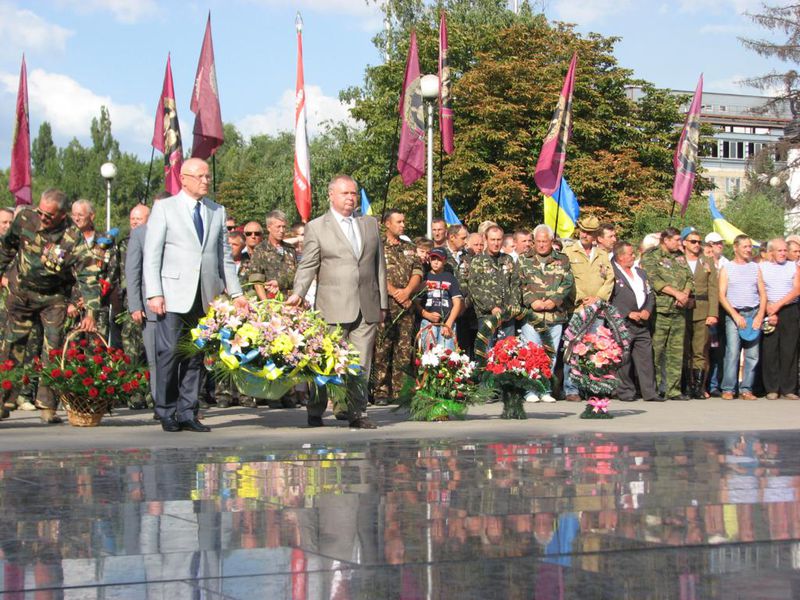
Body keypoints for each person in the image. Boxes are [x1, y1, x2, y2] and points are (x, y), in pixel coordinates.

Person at [143, 158, 247, 433]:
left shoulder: (216, 211)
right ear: (184, 178)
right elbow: (152, 255)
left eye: (207, 176)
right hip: (173, 294)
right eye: (200, 176)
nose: (205, 180)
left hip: (205, 296)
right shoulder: (165, 208)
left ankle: (188, 411)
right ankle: (166, 410)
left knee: (196, 356)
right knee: (169, 353)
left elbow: (224, 256)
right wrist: (154, 292)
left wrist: (236, 293)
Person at [287, 174, 388, 429]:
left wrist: (383, 303)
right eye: (345, 193)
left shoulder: (369, 224)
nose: (350, 198)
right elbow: (308, 264)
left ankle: (357, 413)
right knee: (324, 360)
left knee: (360, 363)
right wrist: (298, 293)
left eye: (354, 193)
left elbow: (379, 266)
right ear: (331, 195)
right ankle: (316, 409)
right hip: (332, 306)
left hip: (366, 305)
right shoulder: (318, 226)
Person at [0, 189, 99, 424]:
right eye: (41, 212)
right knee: (11, 348)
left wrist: (92, 311)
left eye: (48, 215)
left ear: (62, 214)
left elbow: (88, 274)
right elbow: (6, 248)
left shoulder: (72, 237)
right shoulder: (25, 218)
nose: (42, 217)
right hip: (21, 295)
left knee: (52, 350)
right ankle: (4, 401)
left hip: (53, 299)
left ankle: (47, 406)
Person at [517, 224, 574, 403]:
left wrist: (554, 301)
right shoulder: (523, 259)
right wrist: (531, 300)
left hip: (554, 315)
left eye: (545, 241)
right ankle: (530, 390)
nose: (542, 245)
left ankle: (545, 389)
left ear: (551, 241)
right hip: (532, 315)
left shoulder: (562, 259)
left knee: (551, 354)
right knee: (531, 352)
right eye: (539, 241)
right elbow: (519, 283)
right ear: (534, 241)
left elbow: (567, 283)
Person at [372, 209, 423, 405]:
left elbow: (418, 271)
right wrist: (395, 292)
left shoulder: (409, 247)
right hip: (384, 304)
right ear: (387, 224)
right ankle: (381, 391)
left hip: (406, 305)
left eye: (404, 221)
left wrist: (407, 291)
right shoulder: (378, 246)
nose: (403, 225)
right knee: (382, 348)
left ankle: (401, 391)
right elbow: (374, 274)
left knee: (404, 350)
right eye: (399, 222)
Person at [561, 215, 615, 401]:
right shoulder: (569, 252)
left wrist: (597, 299)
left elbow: (609, 279)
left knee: (595, 350)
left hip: (597, 310)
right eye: (584, 231)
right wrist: (582, 297)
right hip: (576, 308)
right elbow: (566, 278)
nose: (586, 235)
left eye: (590, 233)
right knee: (573, 348)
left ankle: (593, 387)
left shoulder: (602, 254)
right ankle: (571, 389)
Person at [641, 227, 694, 401]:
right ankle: (654, 388)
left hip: (679, 309)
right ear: (666, 239)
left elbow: (689, 277)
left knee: (676, 351)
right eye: (677, 240)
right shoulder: (651, 256)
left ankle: (673, 389)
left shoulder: (679, 256)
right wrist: (675, 293)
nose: (680, 243)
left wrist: (685, 294)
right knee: (657, 351)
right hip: (661, 309)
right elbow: (654, 280)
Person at [718, 235, 767, 401]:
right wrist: (735, 315)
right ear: (735, 248)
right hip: (734, 315)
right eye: (745, 246)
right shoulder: (727, 268)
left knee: (752, 354)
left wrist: (760, 315)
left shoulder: (755, 267)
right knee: (732, 352)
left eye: (750, 247)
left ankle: (747, 389)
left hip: (753, 313)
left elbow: (763, 294)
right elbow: (721, 295)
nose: (748, 250)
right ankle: (728, 389)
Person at [610, 241, 659, 402]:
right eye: (630, 254)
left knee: (645, 358)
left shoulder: (640, 273)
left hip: (642, 322)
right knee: (624, 359)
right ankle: (625, 392)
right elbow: (610, 298)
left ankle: (649, 392)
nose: (633, 257)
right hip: (623, 321)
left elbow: (650, 294)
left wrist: (647, 310)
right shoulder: (612, 273)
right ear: (621, 256)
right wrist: (627, 313)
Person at [69, 199, 120, 343]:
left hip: (98, 307)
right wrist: (71, 302)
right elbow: (62, 275)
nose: (76, 218)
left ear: (91, 216)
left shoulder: (104, 241)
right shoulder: (67, 241)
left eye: (80, 215)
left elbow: (111, 272)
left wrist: (89, 300)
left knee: (96, 353)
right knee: (70, 351)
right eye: (74, 215)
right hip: (73, 308)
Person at [120, 203, 153, 409]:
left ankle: (153, 396)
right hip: (129, 307)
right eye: (132, 218)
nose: (134, 222)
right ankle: (133, 396)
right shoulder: (122, 244)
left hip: (147, 304)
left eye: (138, 219)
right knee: (131, 355)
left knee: (152, 355)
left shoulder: (152, 241)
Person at [759, 238, 800, 399]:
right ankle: (772, 388)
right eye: (779, 250)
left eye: (785, 250)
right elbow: (760, 289)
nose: (783, 253)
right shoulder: (762, 267)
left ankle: (788, 388)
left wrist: (778, 305)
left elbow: (797, 289)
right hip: (769, 310)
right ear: (771, 252)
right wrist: (771, 309)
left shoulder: (793, 266)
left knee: (789, 349)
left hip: (789, 309)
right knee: (770, 349)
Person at [465, 225, 516, 351]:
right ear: (486, 239)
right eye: (492, 239)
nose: (496, 243)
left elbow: (515, 284)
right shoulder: (478, 261)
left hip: (507, 315)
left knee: (508, 353)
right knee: (487, 354)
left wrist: (512, 307)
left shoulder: (508, 260)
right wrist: (492, 307)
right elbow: (474, 288)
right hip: (487, 315)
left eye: (499, 240)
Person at [682, 227, 718, 399]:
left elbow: (713, 289)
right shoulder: (677, 260)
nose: (697, 245)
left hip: (702, 308)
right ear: (684, 243)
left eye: (699, 242)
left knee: (699, 350)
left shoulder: (707, 261)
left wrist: (713, 313)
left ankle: (698, 386)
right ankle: (685, 385)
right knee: (683, 349)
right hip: (682, 308)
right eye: (693, 241)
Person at [417, 247, 463, 351]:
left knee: (447, 356)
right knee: (429, 357)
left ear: (445, 261)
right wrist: (426, 314)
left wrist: (449, 323)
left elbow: (457, 303)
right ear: (429, 260)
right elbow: (416, 302)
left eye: (439, 259)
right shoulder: (425, 277)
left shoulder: (450, 278)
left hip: (446, 323)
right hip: (428, 323)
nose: (436, 262)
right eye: (433, 259)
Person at [249, 210, 297, 300]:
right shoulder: (260, 250)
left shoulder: (290, 249)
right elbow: (257, 281)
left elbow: (298, 276)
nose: (282, 230)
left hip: (291, 301)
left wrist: (280, 282)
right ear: (269, 227)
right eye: (278, 227)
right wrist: (266, 304)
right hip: (271, 301)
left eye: (284, 227)